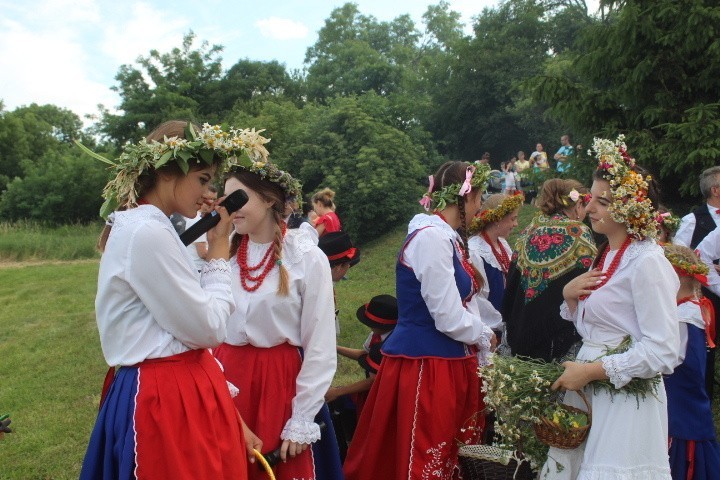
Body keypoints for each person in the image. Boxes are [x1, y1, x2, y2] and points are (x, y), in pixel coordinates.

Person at [79, 120, 268, 479]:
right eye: (202, 178)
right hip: (165, 399)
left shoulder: (151, 226)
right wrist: (218, 247)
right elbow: (209, 329)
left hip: (179, 390)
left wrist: (232, 416)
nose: (208, 192)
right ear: (168, 173)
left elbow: (185, 330)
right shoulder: (146, 230)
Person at [343, 161, 497, 480]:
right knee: (427, 455)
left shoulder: (447, 238)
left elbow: (463, 305)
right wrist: (483, 334)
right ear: (465, 197)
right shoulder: (431, 238)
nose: (481, 206)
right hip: (428, 366)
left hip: (449, 362)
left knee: (450, 455)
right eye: (480, 198)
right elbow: (446, 316)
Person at [541, 135, 681, 479]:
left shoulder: (647, 260)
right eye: (591, 199)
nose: (588, 209)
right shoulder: (606, 255)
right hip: (590, 392)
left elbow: (664, 350)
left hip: (624, 400)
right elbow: (602, 326)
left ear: (631, 208)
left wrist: (591, 371)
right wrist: (570, 298)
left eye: (601, 202)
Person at [213, 161, 341, 480]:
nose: (230, 208)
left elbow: (320, 346)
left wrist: (302, 418)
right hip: (225, 380)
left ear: (269, 199)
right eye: (224, 199)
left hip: (277, 385)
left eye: (237, 198)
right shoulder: (222, 255)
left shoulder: (306, 257)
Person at [502, 179, 596, 361]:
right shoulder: (579, 233)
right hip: (556, 336)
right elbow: (590, 282)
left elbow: (513, 279)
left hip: (520, 325)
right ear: (578, 205)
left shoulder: (529, 229)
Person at [662, 244, 720, 480]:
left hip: (680, 409)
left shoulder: (683, 316)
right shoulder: (686, 308)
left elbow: (670, 358)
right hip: (685, 405)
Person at [326, 295, 398, 461]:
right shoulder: (376, 335)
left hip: (383, 394)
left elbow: (374, 381)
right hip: (373, 387)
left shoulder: (391, 344)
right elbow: (364, 356)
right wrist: (333, 347)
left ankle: (354, 448)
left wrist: (339, 391)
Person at [674, 165, 720, 401]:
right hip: (705, 294)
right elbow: (680, 255)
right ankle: (703, 395)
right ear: (715, 190)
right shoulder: (692, 220)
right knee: (707, 347)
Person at [468, 193, 524, 341]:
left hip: (506, 325)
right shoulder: (475, 250)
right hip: (491, 329)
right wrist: (500, 323)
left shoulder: (502, 244)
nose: (516, 224)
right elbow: (478, 298)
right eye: (513, 219)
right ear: (498, 219)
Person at [184, 185, 218, 272]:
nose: (212, 202)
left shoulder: (205, 218)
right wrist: (224, 256)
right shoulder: (197, 220)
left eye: (214, 199)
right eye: (209, 198)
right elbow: (202, 253)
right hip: (198, 270)